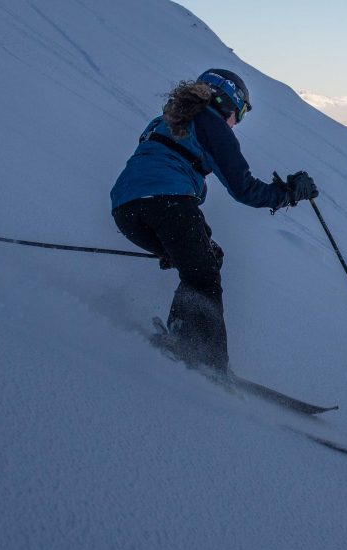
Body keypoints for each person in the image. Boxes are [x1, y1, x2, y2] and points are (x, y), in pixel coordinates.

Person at [110, 69, 318, 372]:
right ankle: (208, 361)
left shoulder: (165, 119)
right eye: (242, 112)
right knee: (204, 275)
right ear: (229, 102)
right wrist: (288, 193)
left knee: (206, 259)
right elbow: (243, 188)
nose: (237, 121)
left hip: (126, 211)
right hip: (169, 202)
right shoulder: (210, 123)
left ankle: (183, 337)